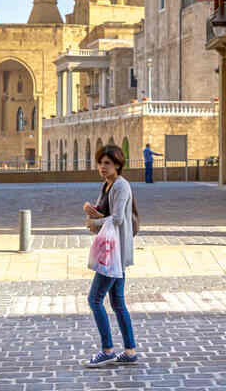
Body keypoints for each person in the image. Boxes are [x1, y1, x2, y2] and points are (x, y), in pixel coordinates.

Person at [82, 144, 140, 368]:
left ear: (117, 164)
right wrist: (92, 211)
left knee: (94, 299)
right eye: (100, 163)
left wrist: (93, 222)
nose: (102, 167)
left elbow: (116, 219)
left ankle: (107, 350)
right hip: (111, 250)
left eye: (107, 163)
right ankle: (130, 350)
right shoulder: (107, 185)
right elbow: (105, 212)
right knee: (117, 302)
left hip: (114, 252)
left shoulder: (121, 186)